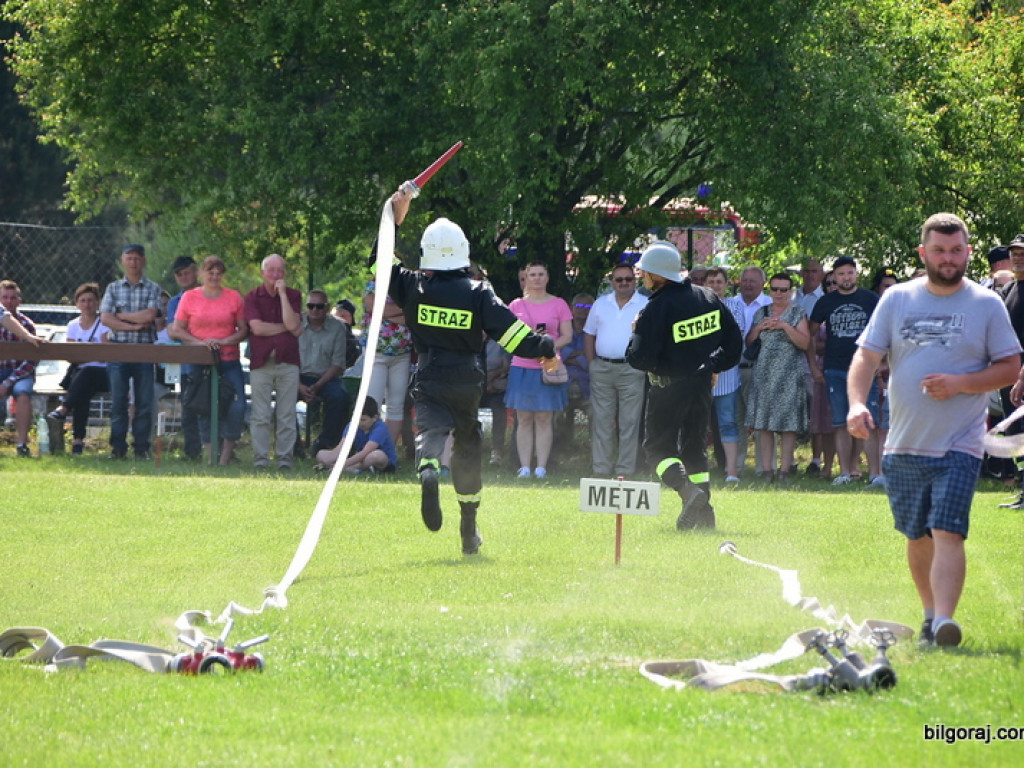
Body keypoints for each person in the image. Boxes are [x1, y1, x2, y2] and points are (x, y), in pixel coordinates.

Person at [847, 212, 1020, 648]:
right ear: (923, 253)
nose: (948, 258)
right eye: (939, 251)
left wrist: (961, 384)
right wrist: (854, 404)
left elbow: (1009, 367)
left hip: (960, 443)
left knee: (948, 529)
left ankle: (945, 620)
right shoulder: (896, 300)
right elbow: (866, 359)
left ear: (969, 252)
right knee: (916, 534)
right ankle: (928, 617)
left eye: (956, 250)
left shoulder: (986, 304)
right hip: (903, 443)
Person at [380, 185, 555, 554]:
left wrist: (398, 212)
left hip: (428, 373)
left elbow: (379, 258)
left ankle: (428, 464)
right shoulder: (478, 291)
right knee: (468, 447)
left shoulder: (413, 286)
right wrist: (545, 348)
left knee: (430, 428)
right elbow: (513, 336)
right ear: (463, 253)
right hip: (467, 378)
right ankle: (468, 530)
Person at [625, 241, 742, 530]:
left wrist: (635, 332)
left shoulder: (656, 308)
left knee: (657, 449)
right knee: (694, 450)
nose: (642, 277)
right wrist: (712, 366)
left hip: (667, 388)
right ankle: (705, 518)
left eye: (645, 273)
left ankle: (687, 491)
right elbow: (734, 345)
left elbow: (639, 359)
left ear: (657, 275)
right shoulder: (708, 298)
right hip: (702, 385)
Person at [809, 256, 880, 485]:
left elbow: (885, 331)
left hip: (865, 369)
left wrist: (883, 362)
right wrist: (813, 366)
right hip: (834, 369)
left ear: (856, 274)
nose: (846, 277)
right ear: (834, 277)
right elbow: (808, 335)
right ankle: (845, 473)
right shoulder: (825, 303)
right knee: (840, 422)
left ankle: (875, 473)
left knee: (868, 421)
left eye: (850, 273)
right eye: (841, 274)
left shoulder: (870, 299)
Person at [171, 256, 248, 466]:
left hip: (229, 359)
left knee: (237, 406)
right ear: (201, 274)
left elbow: (243, 330)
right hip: (200, 361)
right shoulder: (189, 297)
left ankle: (225, 457)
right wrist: (200, 344)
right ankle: (210, 456)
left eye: (218, 273)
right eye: (210, 272)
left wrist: (223, 341)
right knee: (203, 407)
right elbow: (177, 329)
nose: (214, 277)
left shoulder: (234, 297)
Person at [505, 261, 573, 479]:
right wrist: (526, 347)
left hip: (549, 367)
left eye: (540, 274)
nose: (536, 278)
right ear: (525, 277)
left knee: (544, 418)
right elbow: (507, 337)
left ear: (547, 277)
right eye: (531, 274)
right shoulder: (515, 306)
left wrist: (548, 346)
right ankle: (524, 467)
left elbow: (567, 336)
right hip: (522, 366)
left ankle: (541, 467)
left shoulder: (559, 304)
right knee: (523, 418)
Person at [744, 272, 811, 483]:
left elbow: (805, 343)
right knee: (763, 424)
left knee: (788, 425)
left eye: (784, 290)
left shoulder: (798, 312)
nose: (779, 294)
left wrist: (784, 326)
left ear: (791, 291)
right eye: (775, 289)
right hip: (764, 373)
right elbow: (749, 342)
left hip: (789, 374)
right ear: (769, 290)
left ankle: (784, 470)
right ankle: (766, 470)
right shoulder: (761, 312)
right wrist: (759, 328)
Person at [583, 263, 648, 478]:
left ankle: (624, 471)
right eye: (619, 280)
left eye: (628, 279)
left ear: (635, 281)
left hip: (632, 369)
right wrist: (592, 363)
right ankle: (600, 469)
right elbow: (589, 334)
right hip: (602, 368)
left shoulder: (645, 304)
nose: (624, 283)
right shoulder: (601, 304)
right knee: (601, 420)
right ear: (612, 282)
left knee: (629, 422)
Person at [99, 244, 162, 459]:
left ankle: (142, 448)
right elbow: (106, 318)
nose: (133, 262)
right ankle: (117, 448)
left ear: (143, 261)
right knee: (118, 402)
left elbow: (150, 315)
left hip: (144, 351)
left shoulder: (153, 288)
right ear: (122, 260)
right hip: (118, 350)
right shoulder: (113, 288)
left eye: (137, 258)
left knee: (144, 402)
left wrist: (122, 316)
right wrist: (133, 325)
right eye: (129, 258)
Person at [244, 253, 303, 470]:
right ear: (262, 273)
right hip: (261, 363)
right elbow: (257, 328)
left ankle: (284, 459)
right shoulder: (252, 297)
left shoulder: (294, 295)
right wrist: (288, 328)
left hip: (288, 362)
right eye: (271, 270)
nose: (275, 275)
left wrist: (283, 295)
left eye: (279, 270)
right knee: (260, 414)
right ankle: (260, 459)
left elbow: (291, 320)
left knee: (286, 414)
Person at [46, 283, 109, 454]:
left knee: (87, 372)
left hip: (103, 374)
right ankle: (78, 441)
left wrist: (85, 355)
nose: (87, 304)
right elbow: (72, 356)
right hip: (81, 376)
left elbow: (107, 354)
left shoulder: (104, 323)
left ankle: (64, 408)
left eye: (91, 300)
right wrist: (92, 353)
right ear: (77, 303)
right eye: (83, 300)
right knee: (82, 393)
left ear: (97, 302)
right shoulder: (73, 325)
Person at [361, 278, 413, 451]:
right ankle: (368, 450)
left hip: (402, 354)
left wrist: (385, 312)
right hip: (376, 353)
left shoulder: (408, 285)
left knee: (396, 406)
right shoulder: (373, 284)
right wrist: (401, 311)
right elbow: (372, 306)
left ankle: (386, 451)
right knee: (371, 405)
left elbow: (413, 314)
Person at [298, 288, 352, 454]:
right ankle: (293, 445)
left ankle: (325, 443)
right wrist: (300, 386)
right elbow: (287, 361)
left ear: (327, 308)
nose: (315, 310)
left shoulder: (338, 327)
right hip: (297, 377)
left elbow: (337, 364)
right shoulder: (295, 323)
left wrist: (318, 385)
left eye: (319, 306)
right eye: (310, 306)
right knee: (282, 394)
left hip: (326, 378)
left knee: (340, 396)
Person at [705, 266, 744, 482]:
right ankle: (695, 469)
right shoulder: (696, 306)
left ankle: (731, 472)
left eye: (719, 281)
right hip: (700, 373)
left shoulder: (734, 307)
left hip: (726, 374)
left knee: (727, 422)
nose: (715, 285)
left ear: (726, 284)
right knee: (696, 425)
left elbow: (734, 338)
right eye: (711, 281)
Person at [993, 233, 1024, 508]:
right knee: (1015, 431)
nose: (1017, 256)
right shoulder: (1009, 289)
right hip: (1009, 373)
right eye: (1014, 252)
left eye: (1022, 252)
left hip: (1022, 375)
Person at [734, 265, 772, 473]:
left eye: (753, 281)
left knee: (760, 420)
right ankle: (737, 466)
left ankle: (763, 467)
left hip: (760, 368)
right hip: (732, 369)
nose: (748, 284)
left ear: (762, 283)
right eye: (745, 280)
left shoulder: (770, 304)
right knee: (737, 418)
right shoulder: (731, 304)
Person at [165, 255, 202, 460]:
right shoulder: (174, 302)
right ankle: (192, 453)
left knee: (216, 409)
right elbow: (172, 332)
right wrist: (200, 337)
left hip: (212, 362)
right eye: (179, 274)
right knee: (189, 410)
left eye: (187, 272)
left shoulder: (210, 295)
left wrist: (186, 330)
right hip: (188, 365)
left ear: (196, 271)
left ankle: (220, 453)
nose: (184, 277)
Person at [0, 279, 40, 457]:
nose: (8, 302)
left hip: (19, 373)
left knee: (23, 394)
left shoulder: (27, 325)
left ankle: (22, 444)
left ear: (19, 300)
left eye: (12, 298)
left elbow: (31, 360)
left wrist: (8, 382)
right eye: (4, 297)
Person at [807, 271, 838, 478]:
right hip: (823, 369)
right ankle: (822, 465)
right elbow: (810, 340)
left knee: (839, 422)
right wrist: (814, 368)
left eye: (836, 282)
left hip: (847, 368)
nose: (833, 285)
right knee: (822, 422)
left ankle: (843, 467)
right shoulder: (822, 306)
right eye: (829, 283)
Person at [315, 395, 397, 474]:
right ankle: (356, 468)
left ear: (375, 418)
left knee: (375, 456)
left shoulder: (380, 428)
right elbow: (341, 448)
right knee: (321, 454)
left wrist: (340, 465)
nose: (359, 423)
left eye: (363, 420)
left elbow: (365, 452)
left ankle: (348, 468)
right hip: (359, 458)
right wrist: (326, 461)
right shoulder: (352, 425)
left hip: (379, 459)